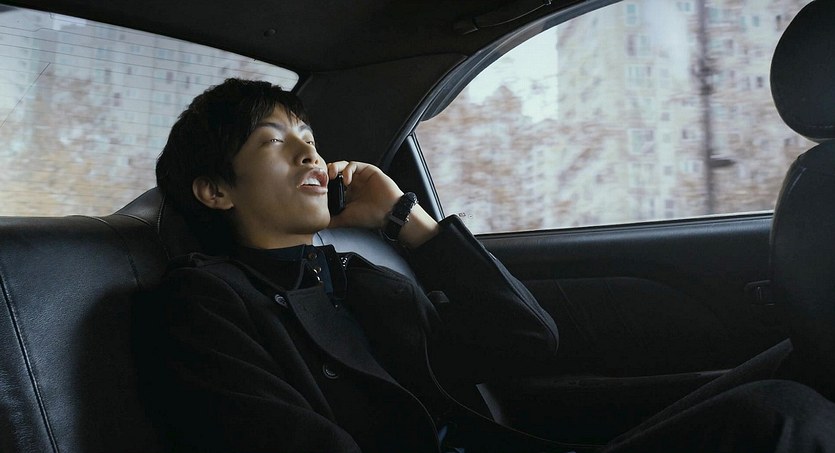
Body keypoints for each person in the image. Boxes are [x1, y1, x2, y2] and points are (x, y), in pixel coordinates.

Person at [135, 77, 835, 453]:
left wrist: (405, 219)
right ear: (215, 190)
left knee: (796, 362)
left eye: (309, 136)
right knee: (779, 414)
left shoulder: (350, 278)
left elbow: (526, 338)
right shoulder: (202, 302)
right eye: (274, 141)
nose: (309, 153)